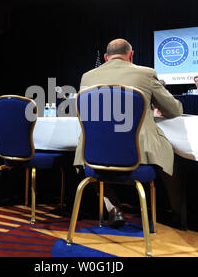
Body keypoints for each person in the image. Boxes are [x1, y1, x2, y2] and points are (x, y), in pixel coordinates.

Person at [74, 38, 183, 228]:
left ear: (106, 57)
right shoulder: (146, 74)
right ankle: (177, 213)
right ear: (131, 55)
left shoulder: (87, 77)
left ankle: (113, 208)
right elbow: (173, 110)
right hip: (138, 152)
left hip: (94, 151)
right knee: (172, 155)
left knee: (91, 163)